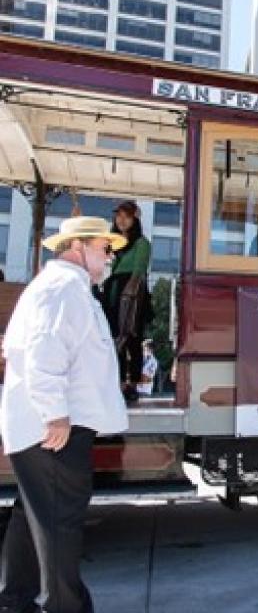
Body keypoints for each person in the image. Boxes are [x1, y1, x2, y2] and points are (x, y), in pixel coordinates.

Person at [0, 216, 129, 613]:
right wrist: (55, 415)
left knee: (33, 515)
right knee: (59, 522)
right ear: (78, 247)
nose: (109, 258)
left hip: (49, 427)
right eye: (105, 249)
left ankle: (15, 599)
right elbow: (44, 352)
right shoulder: (63, 286)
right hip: (56, 429)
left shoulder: (65, 287)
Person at [102, 200, 152, 405]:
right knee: (115, 338)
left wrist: (129, 301)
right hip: (112, 291)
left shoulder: (142, 243)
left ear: (135, 219)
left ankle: (132, 385)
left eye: (127, 216)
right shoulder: (110, 244)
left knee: (132, 338)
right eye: (119, 216)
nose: (122, 220)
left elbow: (138, 272)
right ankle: (119, 381)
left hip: (132, 295)